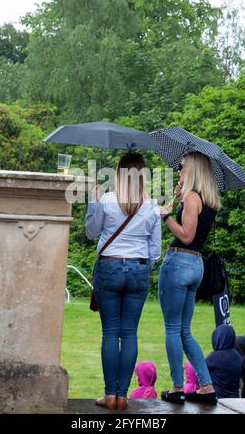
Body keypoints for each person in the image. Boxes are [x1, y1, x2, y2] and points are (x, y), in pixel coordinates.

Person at [85, 152, 161, 411]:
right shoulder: (152, 206)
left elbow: (91, 233)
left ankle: (109, 395)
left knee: (110, 333)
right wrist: (140, 267)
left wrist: (92, 203)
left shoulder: (106, 200)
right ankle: (123, 396)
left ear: (118, 174)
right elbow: (156, 250)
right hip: (138, 270)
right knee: (129, 333)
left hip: (109, 266)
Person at [159, 151, 221, 404]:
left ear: (193, 169)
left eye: (182, 167)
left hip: (179, 261)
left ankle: (176, 387)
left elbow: (185, 235)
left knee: (173, 329)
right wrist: (178, 200)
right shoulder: (208, 200)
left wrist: (165, 216)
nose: (179, 171)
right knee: (184, 330)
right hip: (196, 264)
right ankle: (206, 386)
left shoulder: (193, 197)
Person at [205, 324, 242, 398]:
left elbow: (200, 369)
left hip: (219, 399)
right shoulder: (236, 354)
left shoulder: (214, 357)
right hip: (235, 398)